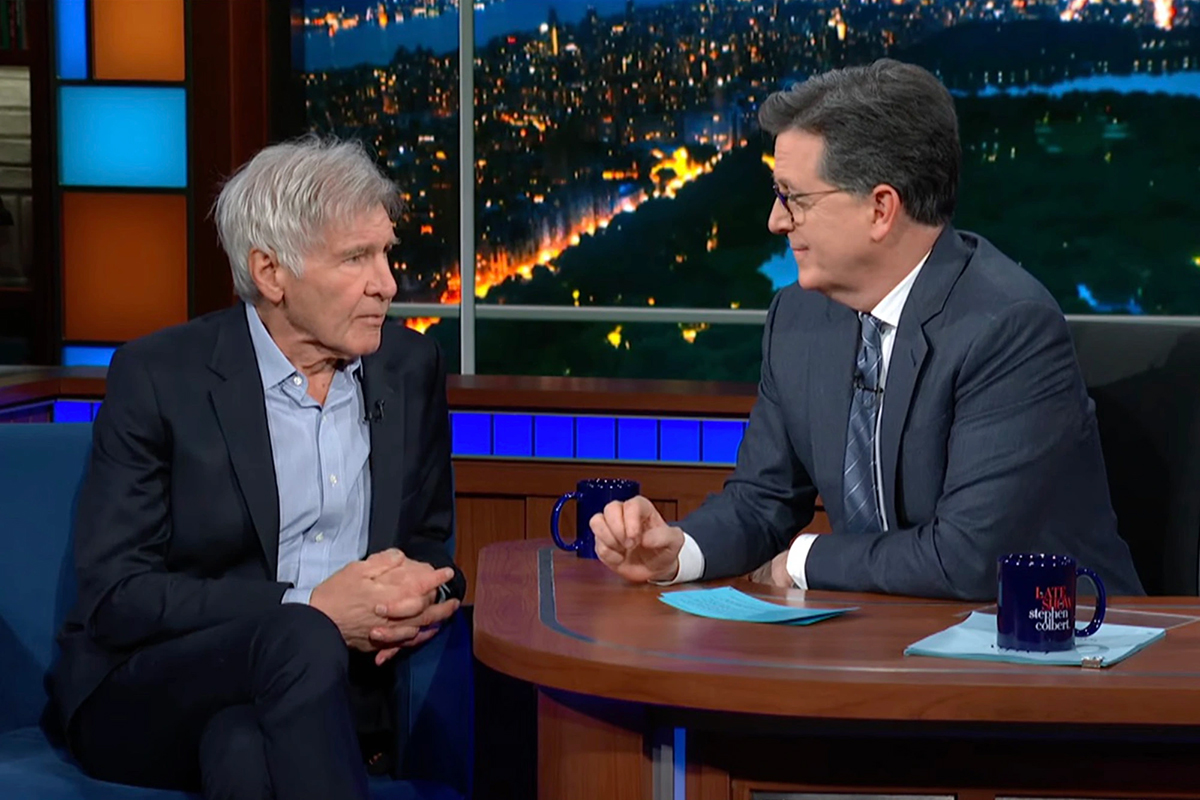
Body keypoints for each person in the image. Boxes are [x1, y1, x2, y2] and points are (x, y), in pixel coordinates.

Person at [590, 59, 1144, 600]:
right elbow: (762, 500)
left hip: (1059, 638)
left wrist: (802, 561)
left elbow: (965, 558)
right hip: (889, 635)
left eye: (793, 198)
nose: (776, 220)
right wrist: (677, 551)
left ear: (880, 209)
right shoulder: (798, 318)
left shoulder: (1007, 329)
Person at [51, 136, 465, 799]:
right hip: (153, 688)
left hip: (328, 695)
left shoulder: (409, 368)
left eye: (386, 253)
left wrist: (423, 597)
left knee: (243, 749)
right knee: (299, 634)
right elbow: (117, 596)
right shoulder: (160, 378)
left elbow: (430, 546)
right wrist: (311, 608)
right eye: (356, 257)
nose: (387, 283)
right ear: (271, 273)